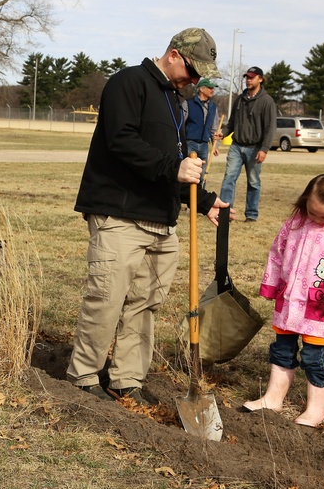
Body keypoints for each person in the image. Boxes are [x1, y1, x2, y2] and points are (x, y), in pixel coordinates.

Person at [66, 28, 228, 405]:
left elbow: (175, 161)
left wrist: (203, 201)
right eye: (192, 69)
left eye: (201, 74)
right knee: (106, 300)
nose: (195, 79)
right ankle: (83, 377)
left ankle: (125, 379)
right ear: (173, 54)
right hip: (120, 216)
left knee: (145, 305)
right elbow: (121, 141)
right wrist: (173, 169)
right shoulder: (128, 83)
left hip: (161, 222)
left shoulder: (177, 100)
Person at [242, 174, 324, 426]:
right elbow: (277, 254)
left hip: (318, 307)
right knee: (282, 349)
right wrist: (271, 284)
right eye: (312, 212)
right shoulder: (295, 223)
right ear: (304, 202)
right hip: (289, 301)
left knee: (313, 357)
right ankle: (273, 398)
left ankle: (316, 410)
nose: (317, 219)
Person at [217, 66, 278, 222]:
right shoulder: (240, 99)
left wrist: (264, 149)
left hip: (255, 148)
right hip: (237, 146)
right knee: (229, 178)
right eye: (247, 77)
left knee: (253, 182)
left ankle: (251, 214)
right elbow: (231, 123)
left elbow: (270, 128)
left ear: (260, 79)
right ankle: (225, 212)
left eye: (251, 77)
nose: (248, 80)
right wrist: (223, 133)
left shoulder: (267, 101)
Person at [185, 77, 219, 188]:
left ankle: (198, 203)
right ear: (202, 89)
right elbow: (181, 124)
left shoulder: (213, 107)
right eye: (210, 88)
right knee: (187, 174)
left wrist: (216, 145)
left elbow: (214, 128)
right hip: (190, 143)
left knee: (201, 175)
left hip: (204, 145)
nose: (212, 90)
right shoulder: (188, 104)